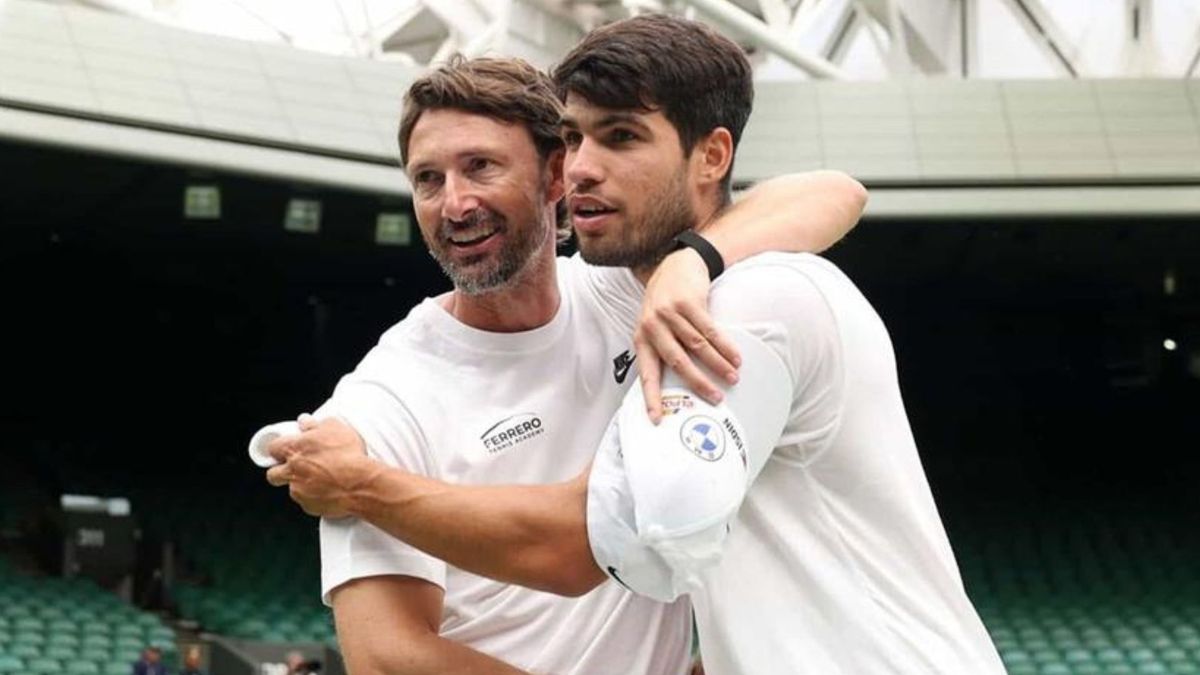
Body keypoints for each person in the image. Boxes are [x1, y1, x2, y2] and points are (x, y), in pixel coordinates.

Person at [268, 14, 1008, 675]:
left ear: (549, 181)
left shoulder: (712, 304)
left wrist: (694, 261)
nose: (454, 202)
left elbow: (835, 191)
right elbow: (386, 657)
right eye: (427, 179)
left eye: (482, 166)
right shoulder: (380, 401)